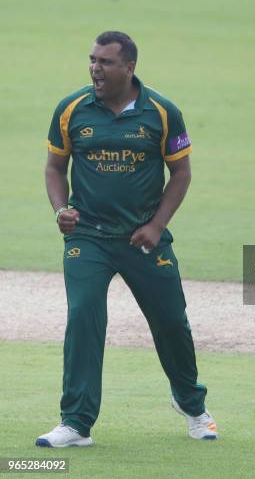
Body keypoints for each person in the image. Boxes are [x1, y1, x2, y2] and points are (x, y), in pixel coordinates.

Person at [36, 31, 217, 446]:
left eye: (105, 62)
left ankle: (192, 405)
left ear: (129, 67)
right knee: (84, 317)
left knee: (171, 321)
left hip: (143, 239)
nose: (95, 68)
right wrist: (61, 210)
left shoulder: (162, 112)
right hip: (88, 238)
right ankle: (76, 423)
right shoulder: (71, 109)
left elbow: (182, 174)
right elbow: (53, 169)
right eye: (92, 60)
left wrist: (155, 225)